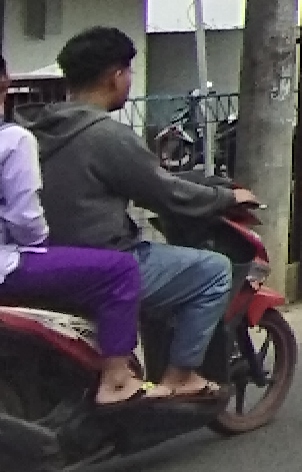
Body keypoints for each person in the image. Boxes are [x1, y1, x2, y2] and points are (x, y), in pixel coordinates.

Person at [28, 26, 256, 400]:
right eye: (129, 72)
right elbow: (166, 193)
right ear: (116, 76)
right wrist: (225, 198)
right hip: (107, 260)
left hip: (45, 261)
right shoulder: (106, 135)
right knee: (213, 270)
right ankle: (180, 376)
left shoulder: (36, 130)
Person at [0, 55, 151, 405]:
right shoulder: (15, 140)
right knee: (121, 270)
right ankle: (117, 379)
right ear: (5, 84)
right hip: (7, 265)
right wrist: (41, 242)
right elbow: (26, 220)